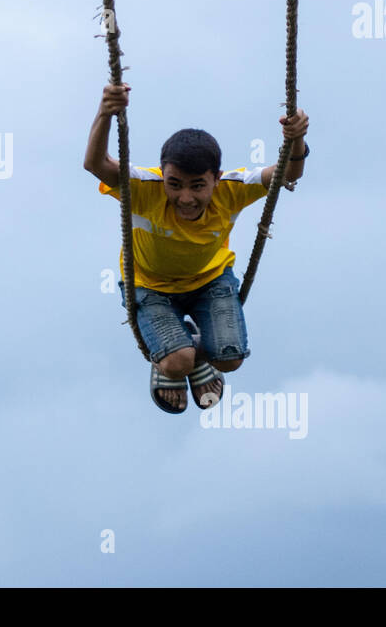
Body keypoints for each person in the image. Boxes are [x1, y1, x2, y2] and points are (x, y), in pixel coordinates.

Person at [84, 82, 310, 414]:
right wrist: (105, 113)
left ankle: (192, 349)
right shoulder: (145, 187)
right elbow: (95, 163)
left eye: (198, 186)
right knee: (177, 362)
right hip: (151, 288)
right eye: (174, 184)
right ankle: (177, 357)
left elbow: (289, 172)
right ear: (163, 175)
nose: (185, 198)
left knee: (230, 359)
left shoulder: (232, 188)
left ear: (216, 179)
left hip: (210, 282)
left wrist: (297, 138)